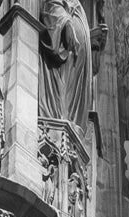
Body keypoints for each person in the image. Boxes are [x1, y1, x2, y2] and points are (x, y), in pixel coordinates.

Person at [38, 0, 92, 134]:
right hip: (62, 59)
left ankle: (68, 133)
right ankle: (55, 132)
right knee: (60, 105)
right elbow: (49, 6)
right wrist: (66, 23)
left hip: (75, 65)